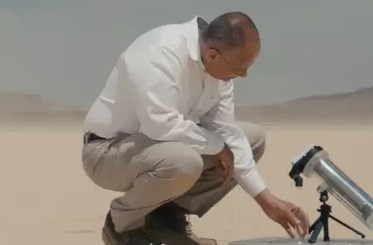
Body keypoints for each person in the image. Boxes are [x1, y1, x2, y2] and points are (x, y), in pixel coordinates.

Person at [82, 12, 309, 245]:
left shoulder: (218, 70)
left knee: (252, 140)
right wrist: (216, 145)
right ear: (213, 55)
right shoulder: (161, 52)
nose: (244, 75)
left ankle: (164, 219)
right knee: (185, 161)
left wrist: (267, 201)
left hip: (160, 149)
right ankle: (121, 225)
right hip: (107, 152)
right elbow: (160, 125)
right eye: (239, 68)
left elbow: (226, 131)